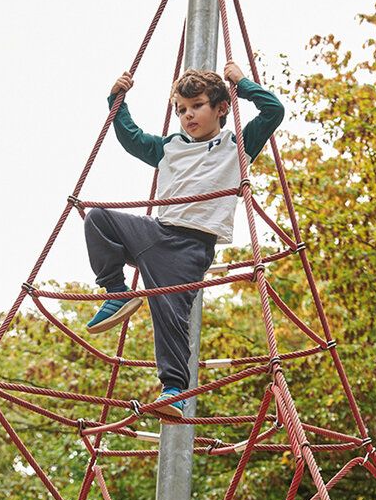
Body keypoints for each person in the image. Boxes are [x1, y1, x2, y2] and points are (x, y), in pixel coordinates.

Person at [83, 61, 284, 419]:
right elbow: (132, 138)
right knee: (98, 219)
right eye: (181, 110)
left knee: (171, 314)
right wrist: (117, 99)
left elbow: (273, 111)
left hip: (191, 246)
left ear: (221, 108)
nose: (188, 115)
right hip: (157, 231)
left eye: (197, 106)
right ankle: (116, 291)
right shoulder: (171, 146)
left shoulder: (236, 145)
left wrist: (242, 83)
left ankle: (174, 391)